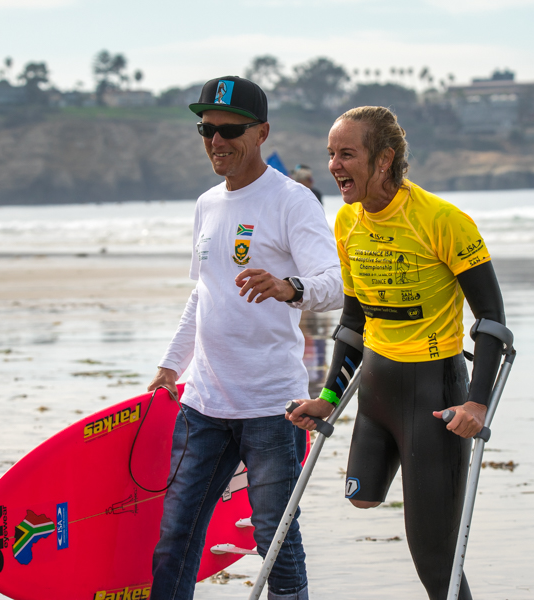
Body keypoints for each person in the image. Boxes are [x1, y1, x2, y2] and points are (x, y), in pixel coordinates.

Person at [288, 106, 506, 600]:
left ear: (384, 160)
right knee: (362, 498)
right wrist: (327, 396)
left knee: (433, 555)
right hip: (377, 392)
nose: (334, 166)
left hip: (436, 396)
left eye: (347, 154)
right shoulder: (346, 222)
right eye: (330, 154)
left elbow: (491, 321)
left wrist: (477, 402)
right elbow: (353, 321)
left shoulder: (444, 221)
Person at [147, 76, 342, 600]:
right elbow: (203, 295)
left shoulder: (292, 201)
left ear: (261, 133)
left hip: (272, 407)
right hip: (203, 403)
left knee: (273, 537)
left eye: (229, 129)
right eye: (206, 129)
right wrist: (171, 366)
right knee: (174, 537)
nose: (216, 140)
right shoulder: (207, 204)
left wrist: (288, 287)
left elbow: (336, 284)